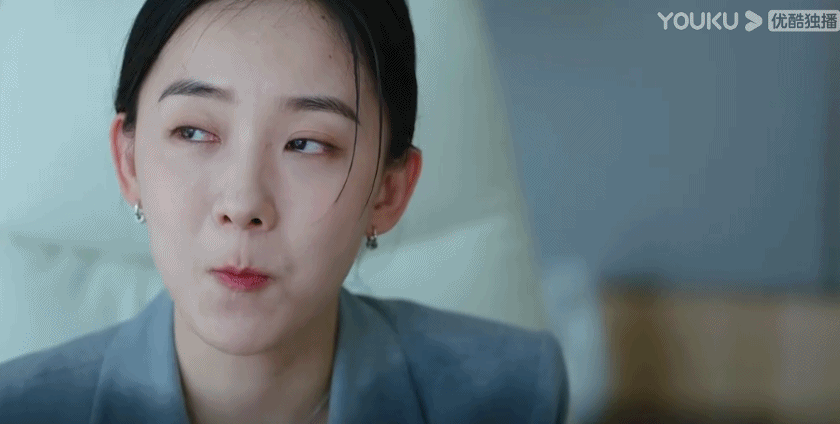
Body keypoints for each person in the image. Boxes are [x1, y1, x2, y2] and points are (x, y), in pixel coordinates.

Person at [0, 0, 569, 422]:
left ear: (389, 192)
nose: (243, 203)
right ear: (129, 164)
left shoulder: (514, 393)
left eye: (307, 144)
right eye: (194, 131)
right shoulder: (23, 409)